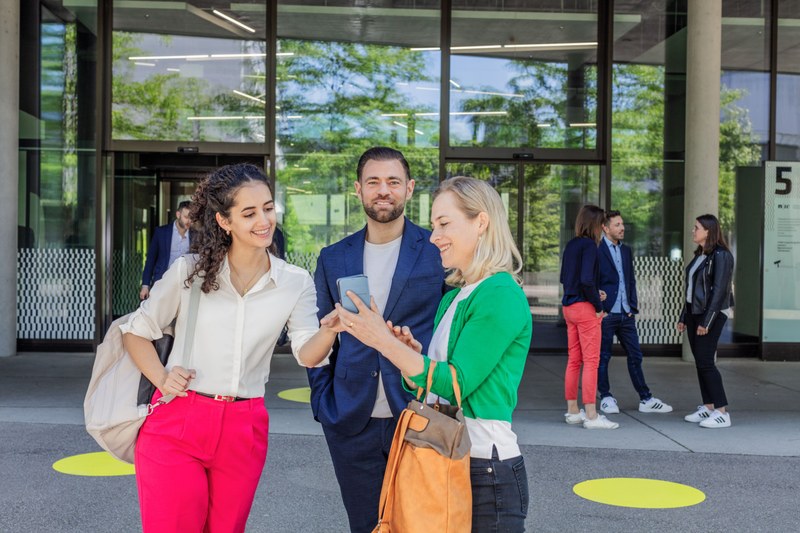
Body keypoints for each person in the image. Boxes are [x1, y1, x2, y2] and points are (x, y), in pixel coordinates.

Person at [121, 163, 343, 532]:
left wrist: (330, 330)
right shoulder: (188, 272)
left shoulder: (294, 281)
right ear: (224, 221)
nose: (264, 220)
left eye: (269, 208)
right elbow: (135, 332)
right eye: (249, 212)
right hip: (177, 421)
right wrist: (162, 377)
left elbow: (307, 353)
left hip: (244, 426)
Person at [336, 176, 532, 532]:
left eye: (444, 224)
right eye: (433, 225)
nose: (433, 236)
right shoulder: (453, 297)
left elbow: (456, 383)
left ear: (481, 222)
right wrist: (409, 354)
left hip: (486, 471)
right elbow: (429, 388)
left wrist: (385, 342)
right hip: (448, 459)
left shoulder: (500, 292)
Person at [309, 147, 446, 533]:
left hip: (418, 413)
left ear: (410, 188)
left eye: (392, 182)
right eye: (373, 182)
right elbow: (320, 338)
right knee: (365, 525)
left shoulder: (437, 251)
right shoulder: (333, 256)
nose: (383, 190)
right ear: (358, 189)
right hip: (351, 420)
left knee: (420, 524)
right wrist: (324, 403)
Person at [596, 210, 672, 414]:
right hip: (606, 314)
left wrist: (632, 306)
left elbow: (630, 280)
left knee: (635, 355)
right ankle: (606, 397)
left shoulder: (626, 250)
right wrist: (599, 306)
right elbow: (592, 279)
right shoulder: (597, 249)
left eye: (622, 224)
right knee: (603, 357)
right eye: (617, 225)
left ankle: (646, 399)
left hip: (626, 313)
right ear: (605, 227)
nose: (622, 228)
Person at [560, 204, 619, 429]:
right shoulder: (591, 247)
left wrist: (595, 292)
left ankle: (573, 410)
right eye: (602, 223)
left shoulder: (572, 245)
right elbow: (586, 280)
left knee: (574, 360)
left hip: (569, 307)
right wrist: (598, 304)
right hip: (585, 309)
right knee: (591, 362)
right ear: (596, 225)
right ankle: (592, 415)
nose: (604, 227)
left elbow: (569, 280)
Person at [678, 214, 735, 428]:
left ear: (708, 231)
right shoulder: (701, 255)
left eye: (696, 228)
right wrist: (684, 316)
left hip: (711, 315)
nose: (693, 231)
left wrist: (707, 321)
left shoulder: (722, 255)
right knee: (700, 362)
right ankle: (708, 406)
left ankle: (722, 412)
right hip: (695, 314)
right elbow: (691, 291)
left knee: (706, 362)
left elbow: (719, 291)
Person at [140, 200, 193, 300]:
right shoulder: (161, 232)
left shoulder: (196, 235)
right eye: (186, 217)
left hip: (186, 285)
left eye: (192, 218)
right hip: (162, 282)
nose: (189, 221)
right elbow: (151, 259)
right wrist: (145, 285)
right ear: (178, 214)